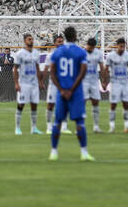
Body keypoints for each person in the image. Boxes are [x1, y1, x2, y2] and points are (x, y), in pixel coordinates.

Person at [48, 26, 94, 162]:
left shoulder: (57, 52)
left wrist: (62, 90)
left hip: (61, 92)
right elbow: (83, 71)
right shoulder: (81, 52)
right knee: (80, 122)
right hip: (76, 92)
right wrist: (72, 89)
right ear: (74, 36)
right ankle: (84, 153)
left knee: (57, 122)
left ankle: (53, 152)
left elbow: (52, 72)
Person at [13, 34, 44, 135]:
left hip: (34, 83)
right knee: (21, 104)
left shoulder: (36, 53)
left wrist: (40, 82)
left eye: (32, 39)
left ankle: (34, 128)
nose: (31, 41)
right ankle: (17, 128)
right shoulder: (20, 54)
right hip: (24, 83)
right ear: (24, 41)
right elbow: (15, 69)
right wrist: (17, 83)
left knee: (34, 105)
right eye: (29, 39)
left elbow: (38, 68)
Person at [104, 37, 128, 133]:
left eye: (124, 46)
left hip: (125, 83)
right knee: (113, 104)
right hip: (115, 83)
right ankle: (112, 127)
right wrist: (104, 81)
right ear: (117, 46)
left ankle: (127, 126)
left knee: (126, 104)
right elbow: (106, 69)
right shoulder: (110, 56)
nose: (122, 48)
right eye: (121, 46)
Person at [45, 35, 71, 134]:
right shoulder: (50, 55)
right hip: (54, 84)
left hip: (65, 84)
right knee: (51, 104)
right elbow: (47, 69)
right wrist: (41, 81)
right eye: (58, 42)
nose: (60, 43)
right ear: (55, 43)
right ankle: (49, 127)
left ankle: (64, 127)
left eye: (62, 41)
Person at [83, 38, 105, 133]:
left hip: (94, 81)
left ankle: (96, 126)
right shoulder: (81, 53)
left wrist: (104, 81)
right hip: (83, 82)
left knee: (95, 102)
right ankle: (80, 126)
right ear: (87, 45)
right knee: (82, 104)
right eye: (89, 47)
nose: (91, 49)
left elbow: (102, 67)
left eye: (92, 47)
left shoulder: (98, 53)